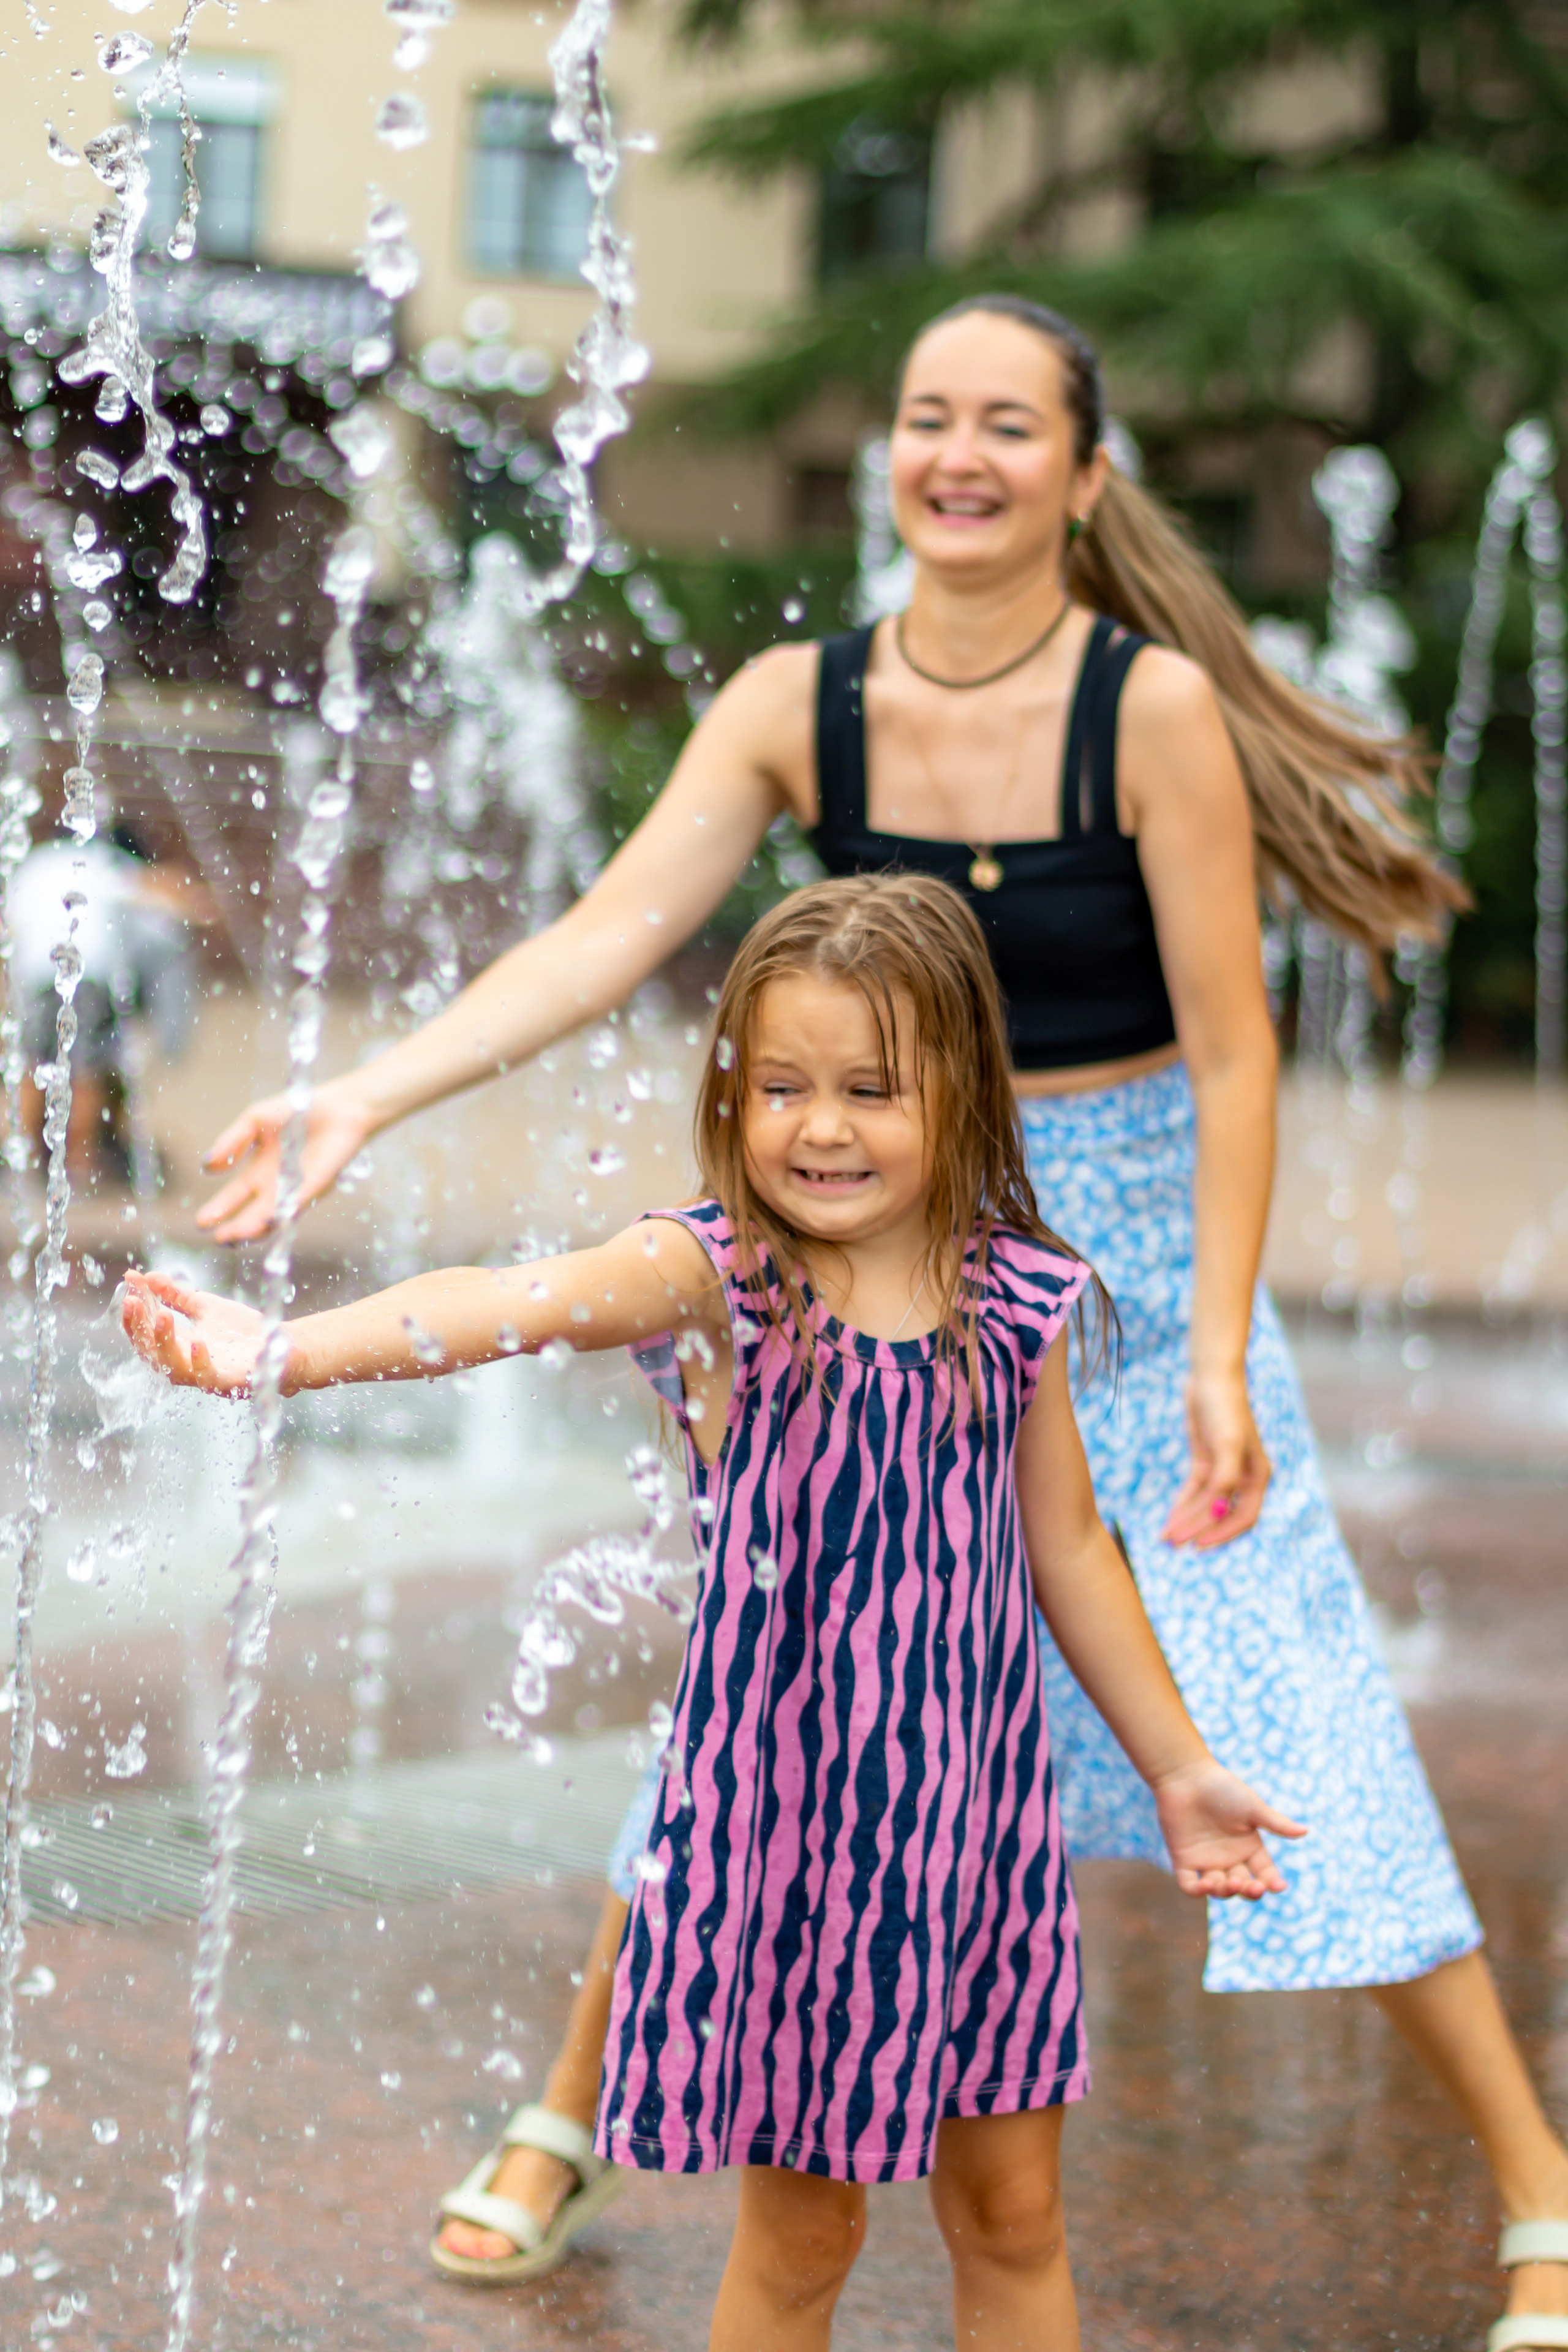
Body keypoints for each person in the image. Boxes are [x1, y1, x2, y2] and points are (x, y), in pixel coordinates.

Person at [194, 295, 1568, 2348]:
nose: (961, 453)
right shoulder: (799, 703)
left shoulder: (1152, 706)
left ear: (1084, 476)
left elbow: (1238, 1047)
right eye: (928, 417)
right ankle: (579, 2102)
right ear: (891, 458)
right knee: (790, 1683)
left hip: (1134, 1241)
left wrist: (1210, 1346)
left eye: (1009, 424)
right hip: (860, 1231)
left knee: (1279, 1704)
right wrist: (370, 1094)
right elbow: (603, 938)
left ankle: (1538, 2184)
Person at [124, 874, 1305, 2352]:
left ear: (963, 1093)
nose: (819, 1126)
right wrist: (284, 1352)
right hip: (797, 1851)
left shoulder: (1017, 1298)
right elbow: (503, 1299)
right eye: (783, 1085)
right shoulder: (726, 1275)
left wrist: (1178, 1767)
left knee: (1014, 2219)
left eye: (872, 1089)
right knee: (807, 2235)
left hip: (983, 1844)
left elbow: (1068, 1547)